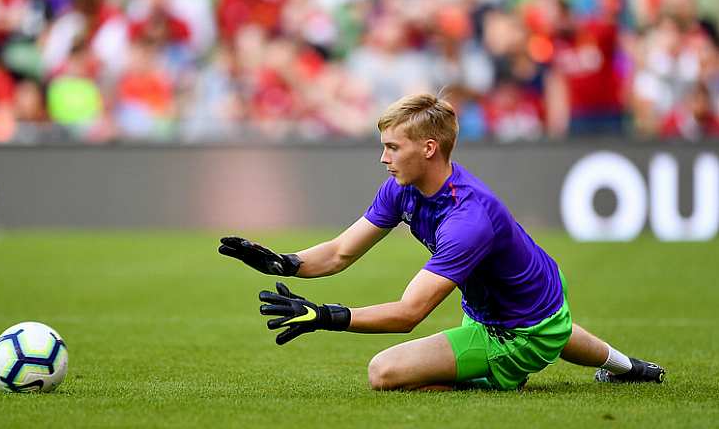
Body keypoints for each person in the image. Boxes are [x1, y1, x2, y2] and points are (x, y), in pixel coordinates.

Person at [218, 93, 665, 391]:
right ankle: (630, 368)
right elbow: (339, 252)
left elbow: (409, 313)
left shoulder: (467, 220)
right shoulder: (403, 187)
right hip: (536, 302)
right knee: (553, 327)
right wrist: (284, 263)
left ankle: (502, 374)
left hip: (514, 332)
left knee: (384, 373)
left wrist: (326, 316)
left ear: (428, 149)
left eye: (392, 147)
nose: (383, 157)